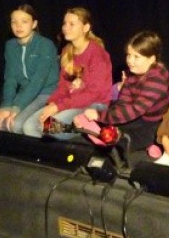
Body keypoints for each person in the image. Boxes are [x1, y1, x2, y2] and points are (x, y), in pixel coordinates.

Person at [74, 31, 169, 152]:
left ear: (151, 59)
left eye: (136, 57)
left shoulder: (157, 81)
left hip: (151, 123)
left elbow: (134, 110)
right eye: (129, 55)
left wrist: (99, 116)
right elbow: (123, 101)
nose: (130, 61)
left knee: (122, 143)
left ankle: (151, 143)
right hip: (137, 116)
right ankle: (103, 132)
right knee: (108, 115)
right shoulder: (133, 72)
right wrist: (102, 117)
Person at [23, 7, 112, 139]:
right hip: (71, 102)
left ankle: (87, 127)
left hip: (93, 105)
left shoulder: (97, 54)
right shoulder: (66, 51)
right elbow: (63, 86)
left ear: (86, 27)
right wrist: (53, 103)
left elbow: (93, 94)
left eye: (72, 24)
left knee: (47, 126)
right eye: (65, 23)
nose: (65, 27)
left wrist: (58, 107)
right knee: (29, 126)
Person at [0, 5, 59, 134]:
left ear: (34, 24)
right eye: (14, 22)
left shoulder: (45, 44)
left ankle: (58, 125)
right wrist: (6, 106)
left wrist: (17, 107)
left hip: (46, 93)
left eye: (24, 21)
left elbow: (38, 81)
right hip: (25, 93)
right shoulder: (10, 45)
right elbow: (10, 78)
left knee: (16, 125)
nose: (18, 26)